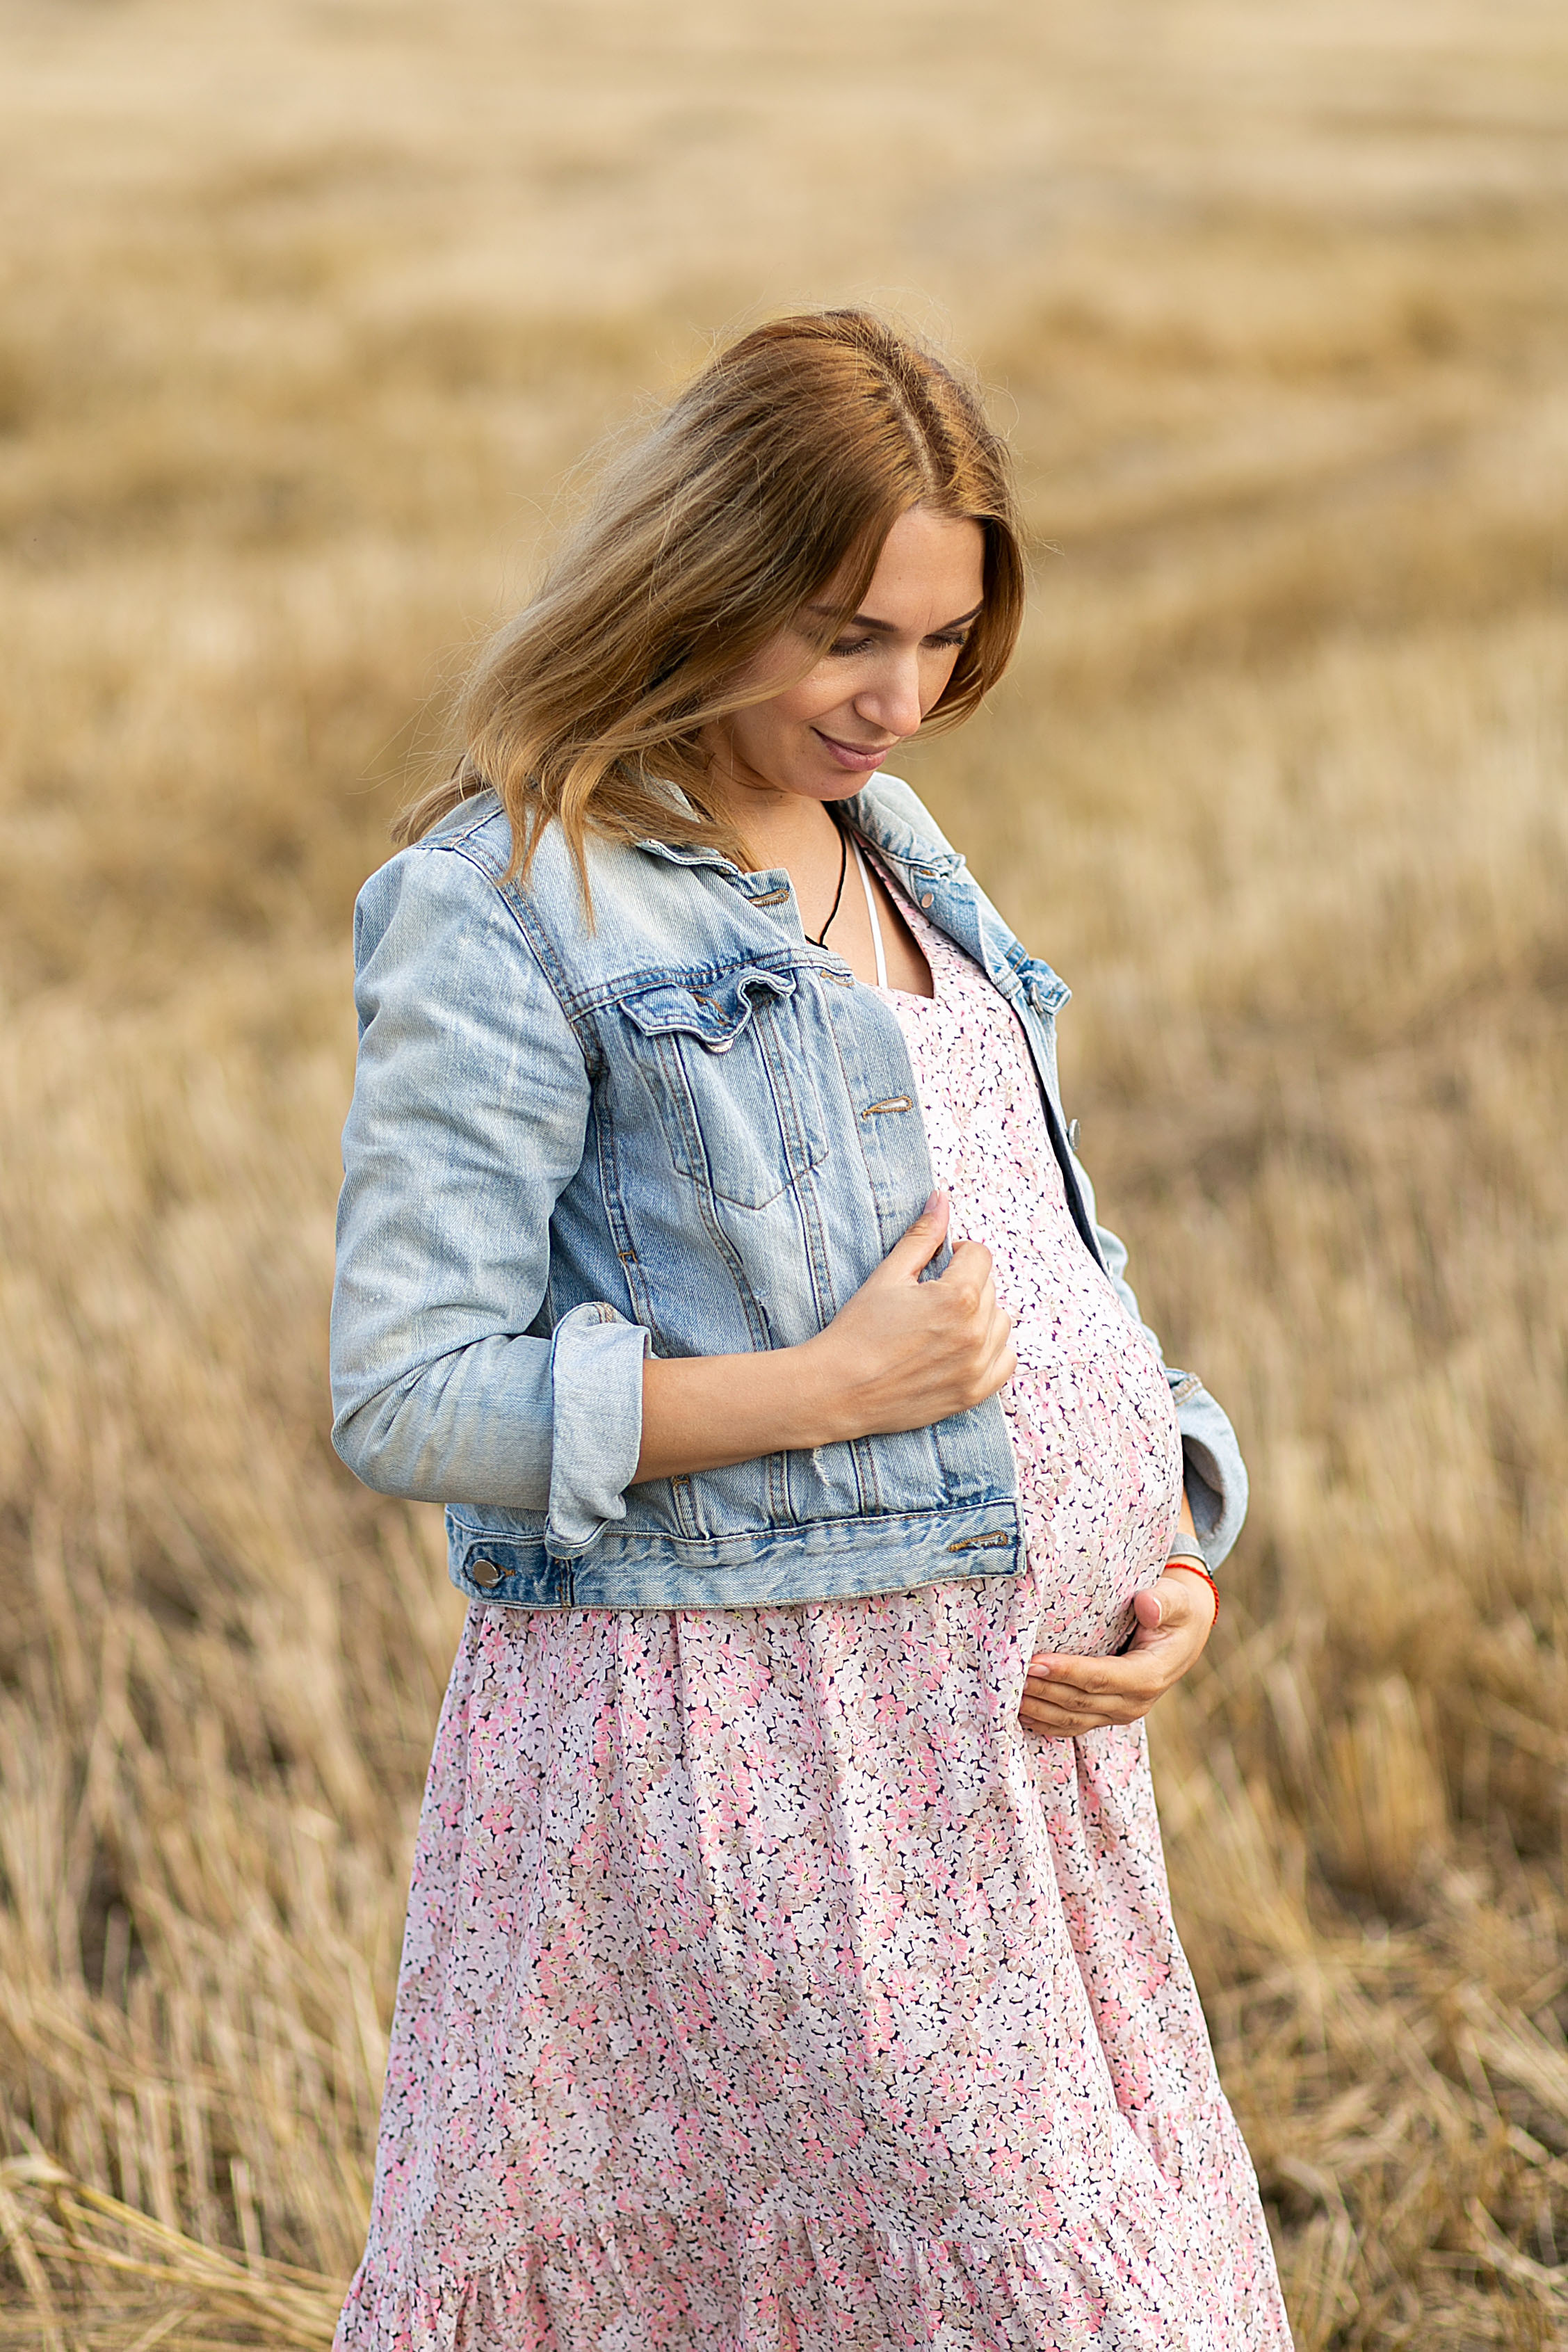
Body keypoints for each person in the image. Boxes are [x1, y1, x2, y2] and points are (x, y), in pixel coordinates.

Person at [329, 309, 1293, 2351]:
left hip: (1017, 1777)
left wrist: (1171, 1538)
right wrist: (823, 1395)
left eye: (944, 645)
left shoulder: (902, 854)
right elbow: (408, 1390)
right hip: (749, 1770)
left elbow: (1038, 1257)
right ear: (703, 577)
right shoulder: (510, 897)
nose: (904, 699)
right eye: (852, 634)